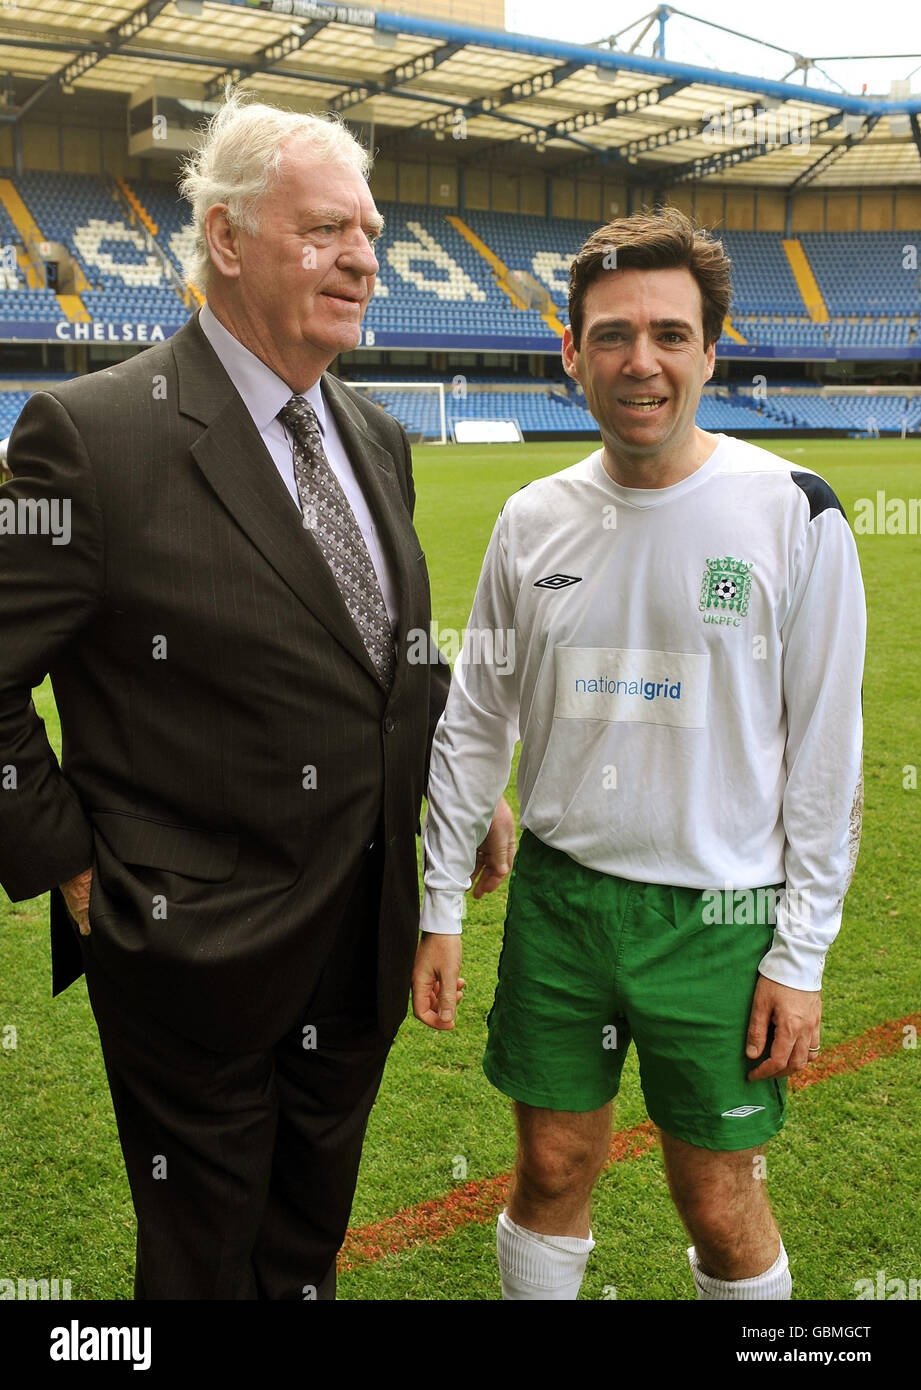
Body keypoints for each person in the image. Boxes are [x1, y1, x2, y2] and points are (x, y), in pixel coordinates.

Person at [0, 92, 513, 1300]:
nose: (365, 260)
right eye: (329, 229)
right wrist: (76, 869)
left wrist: (457, 790)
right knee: (203, 1265)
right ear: (227, 238)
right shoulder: (90, 432)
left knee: (304, 1252)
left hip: (361, 936)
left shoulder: (378, 436)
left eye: (372, 233)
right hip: (191, 953)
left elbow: (396, 659)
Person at [413, 207, 865, 1301]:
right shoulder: (531, 518)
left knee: (719, 1198)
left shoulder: (795, 514)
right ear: (571, 353)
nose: (641, 360)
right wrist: (439, 906)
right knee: (552, 1164)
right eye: (612, 333)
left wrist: (797, 956)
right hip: (562, 905)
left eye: (670, 333)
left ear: (712, 350)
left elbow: (827, 762)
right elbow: (477, 717)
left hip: (719, 915)